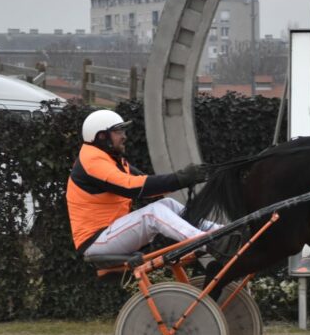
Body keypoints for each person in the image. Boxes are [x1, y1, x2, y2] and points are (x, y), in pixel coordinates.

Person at [66, 109, 222, 258]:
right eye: (118, 131)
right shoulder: (92, 161)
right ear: (101, 137)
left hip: (110, 234)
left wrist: (186, 178)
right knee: (152, 213)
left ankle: (220, 231)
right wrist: (181, 178)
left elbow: (145, 183)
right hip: (96, 241)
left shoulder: (109, 158)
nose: (124, 136)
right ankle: (211, 242)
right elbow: (130, 187)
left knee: (168, 203)